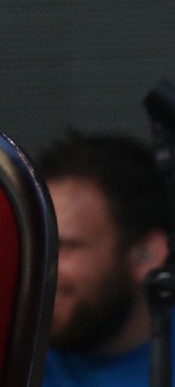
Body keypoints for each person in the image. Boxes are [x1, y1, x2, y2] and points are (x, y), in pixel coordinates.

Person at [40, 132, 174, 387]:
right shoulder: (3, 360)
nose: (40, 267)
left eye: (66, 246)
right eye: (38, 245)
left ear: (146, 254)